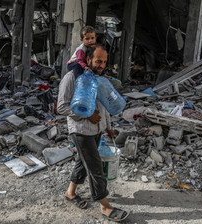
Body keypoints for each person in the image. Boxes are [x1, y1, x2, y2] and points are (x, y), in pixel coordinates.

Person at [57, 44, 129, 222]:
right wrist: (87, 115)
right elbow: (61, 107)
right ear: (88, 59)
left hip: (96, 130)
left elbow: (104, 106)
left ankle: (70, 193)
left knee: (83, 162)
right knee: (96, 168)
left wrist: (109, 126)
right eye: (98, 61)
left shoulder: (99, 79)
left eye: (104, 62)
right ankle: (105, 206)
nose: (102, 65)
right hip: (80, 131)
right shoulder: (72, 77)